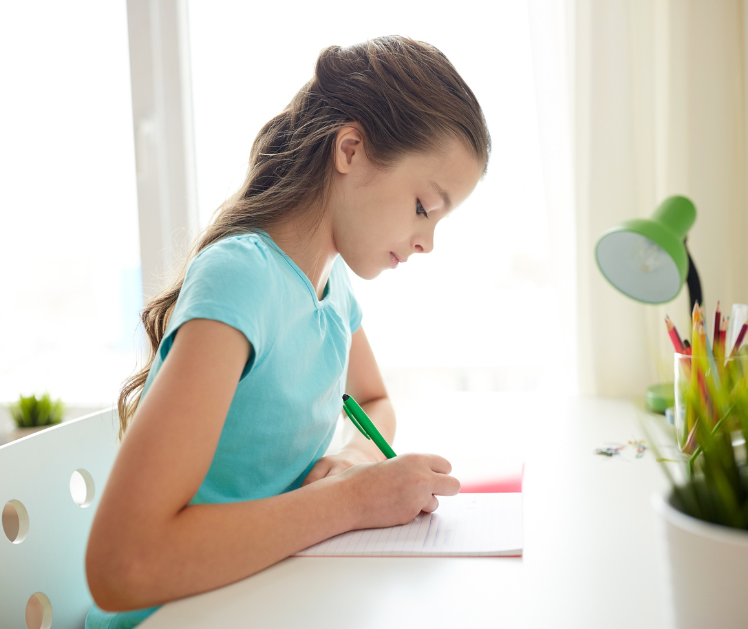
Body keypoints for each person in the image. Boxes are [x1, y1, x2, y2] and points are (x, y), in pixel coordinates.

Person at [85, 35, 490, 628]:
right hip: (175, 612)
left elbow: (374, 401)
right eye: (425, 207)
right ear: (350, 149)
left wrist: (354, 455)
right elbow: (123, 565)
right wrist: (351, 502)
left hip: (259, 595)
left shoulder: (333, 286)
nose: (427, 241)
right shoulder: (241, 278)